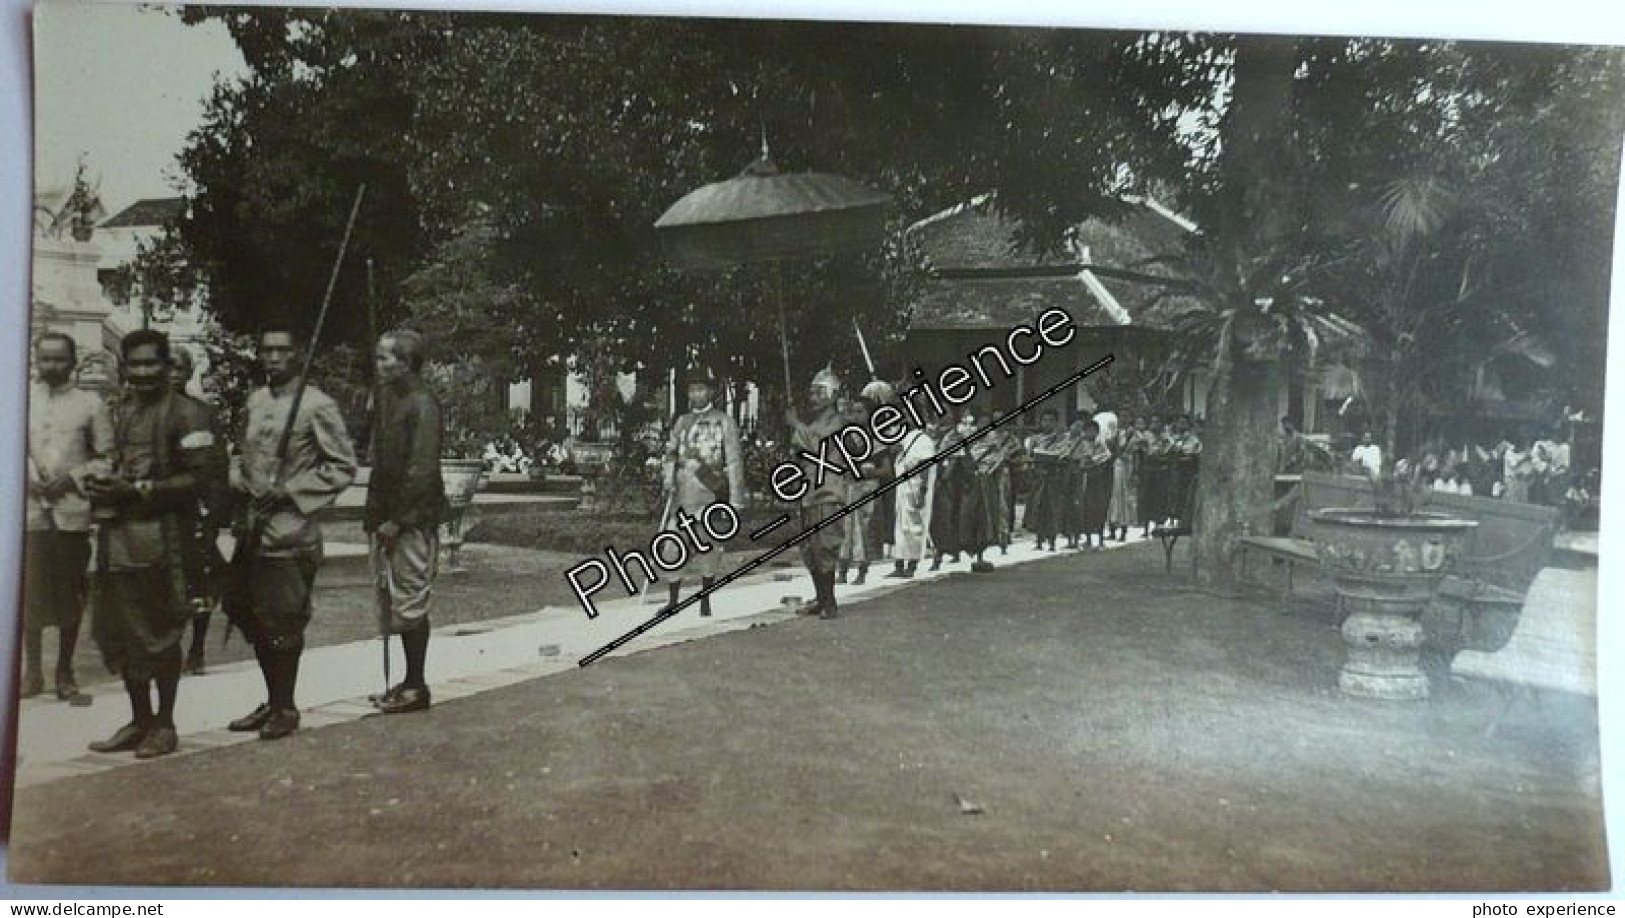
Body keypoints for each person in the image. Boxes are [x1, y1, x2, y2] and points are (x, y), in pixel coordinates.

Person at [84, 330, 215, 758]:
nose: (142, 373)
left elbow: (199, 480)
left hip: (163, 538)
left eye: (150, 364)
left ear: (166, 365)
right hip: (116, 537)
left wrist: (138, 489)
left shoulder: (190, 414)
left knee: (159, 630)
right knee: (118, 629)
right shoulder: (119, 411)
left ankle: (165, 723)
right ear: (123, 367)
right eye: (134, 364)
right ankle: (139, 719)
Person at [224, 328, 358, 740]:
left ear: (297, 355)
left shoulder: (317, 405)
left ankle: (286, 706)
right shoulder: (256, 401)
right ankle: (271, 698)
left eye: (283, 351)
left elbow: (342, 466)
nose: (273, 358)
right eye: (266, 350)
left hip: (289, 531)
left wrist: (289, 491)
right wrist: (239, 482)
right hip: (251, 529)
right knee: (250, 616)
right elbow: (238, 456)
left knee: (284, 620)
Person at [22, 332, 112, 703]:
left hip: (70, 513)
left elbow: (107, 458)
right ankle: (33, 672)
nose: (52, 366)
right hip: (28, 512)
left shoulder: (91, 404)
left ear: (73, 362)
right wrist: (29, 475)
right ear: (36, 360)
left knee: (70, 595)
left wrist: (72, 478)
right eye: (45, 359)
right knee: (29, 594)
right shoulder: (20, 398)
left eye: (60, 359)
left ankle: (64, 671)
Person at [366, 329, 448, 714]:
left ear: (405, 361)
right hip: (386, 517)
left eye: (385, 358)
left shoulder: (422, 404)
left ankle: (417, 685)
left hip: (412, 520)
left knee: (411, 599)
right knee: (394, 598)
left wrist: (398, 520)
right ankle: (407, 680)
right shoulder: (387, 400)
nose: (378, 364)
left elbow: (422, 469)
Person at [662, 371, 745, 615]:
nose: (696, 394)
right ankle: (673, 600)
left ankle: (705, 601)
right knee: (671, 544)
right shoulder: (682, 421)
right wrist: (667, 476)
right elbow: (671, 452)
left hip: (710, 492)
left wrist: (735, 500)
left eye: (701, 389)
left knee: (708, 546)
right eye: (692, 389)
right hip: (683, 494)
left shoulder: (724, 422)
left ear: (711, 392)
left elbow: (734, 461)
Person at [168, 346, 228, 676]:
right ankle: (169, 649)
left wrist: (216, 514)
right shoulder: (147, 410)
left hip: (196, 509)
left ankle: (197, 648)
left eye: (180, 367)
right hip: (163, 509)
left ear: (190, 372)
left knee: (201, 578)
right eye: (169, 366)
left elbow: (217, 466)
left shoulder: (203, 412)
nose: (173, 372)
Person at [787, 365, 847, 618]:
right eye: (812, 393)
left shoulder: (838, 422)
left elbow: (816, 444)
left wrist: (795, 424)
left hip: (828, 493)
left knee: (825, 547)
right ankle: (820, 598)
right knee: (809, 549)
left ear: (833, 395)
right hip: (809, 493)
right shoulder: (814, 423)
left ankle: (830, 601)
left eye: (820, 393)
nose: (814, 398)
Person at [838, 382, 894, 585]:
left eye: (860, 412)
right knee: (844, 529)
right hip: (848, 488)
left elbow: (887, 471)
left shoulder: (877, 439)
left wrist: (869, 472)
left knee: (864, 530)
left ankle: (862, 570)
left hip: (867, 490)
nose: (855, 416)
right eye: (853, 412)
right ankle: (842, 570)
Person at [888, 413, 939, 578]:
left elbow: (925, 466)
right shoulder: (904, 440)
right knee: (901, 528)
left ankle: (912, 564)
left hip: (915, 488)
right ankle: (899, 564)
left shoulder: (924, 441)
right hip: (902, 490)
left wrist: (922, 492)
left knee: (915, 527)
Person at [1072, 420, 1113, 550]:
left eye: (1093, 430)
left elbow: (1105, 457)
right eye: (1087, 430)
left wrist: (1093, 461)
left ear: (1097, 432)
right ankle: (1088, 539)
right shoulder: (1080, 444)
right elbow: (1075, 459)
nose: (1090, 433)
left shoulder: (1101, 445)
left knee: (1099, 509)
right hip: (1084, 480)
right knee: (1085, 510)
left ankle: (1100, 539)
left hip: (1098, 481)